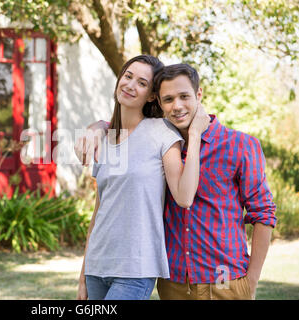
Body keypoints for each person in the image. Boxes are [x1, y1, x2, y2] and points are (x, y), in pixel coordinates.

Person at [75, 63, 277, 300]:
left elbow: (263, 214)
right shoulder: (160, 141)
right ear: (158, 103)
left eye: (184, 97)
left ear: (199, 94)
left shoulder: (240, 145)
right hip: (174, 284)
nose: (177, 106)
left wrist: (251, 281)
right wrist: (98, 126)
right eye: (168, 99)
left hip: (225, 281)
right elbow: (127, 134)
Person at [76, 55, 210, 300]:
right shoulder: (105, 139)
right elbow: (98, 213)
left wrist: (195, 134)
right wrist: (83, 276)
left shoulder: (161, 132)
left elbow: (184, 196)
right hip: (97, 266)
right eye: (128, 76)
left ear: (151, 95)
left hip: (135, 268)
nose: (130, 85)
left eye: (141, 82)